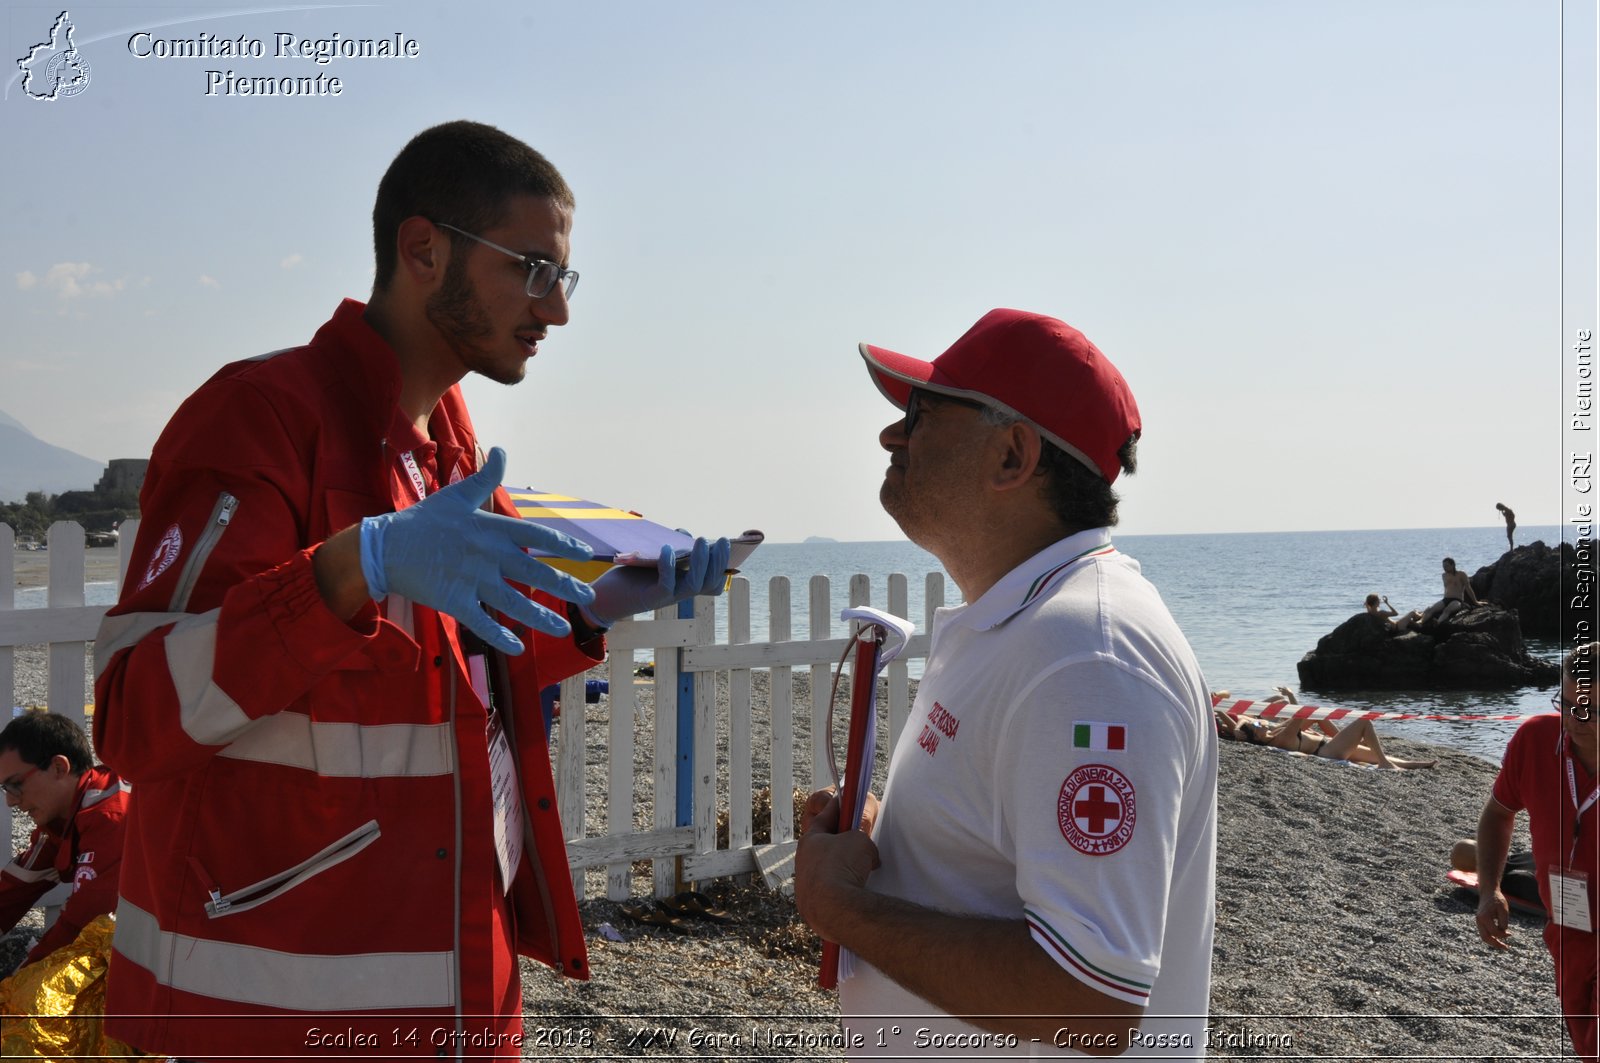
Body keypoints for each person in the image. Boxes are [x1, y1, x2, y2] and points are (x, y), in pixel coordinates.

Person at [90, 120, 729, 1061]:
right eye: (533, 270)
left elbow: (447, 679)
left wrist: (590, 611)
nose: (555, 311)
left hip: (454, 999)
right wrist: (351, 567)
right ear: (423, 250)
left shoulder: (452, 449)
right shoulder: (260, 418)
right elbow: (135, 716)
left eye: (564, 277)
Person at [794, 309, 1217, 1058]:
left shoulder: (1087, 655)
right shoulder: (1031, 626)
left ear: (1013, 454)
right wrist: (893, 836)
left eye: (920, 413)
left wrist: (844, 908)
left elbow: (1092, 1000)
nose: (893, 435)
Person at [1474, 642, 1600, 1062]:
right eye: (1567, 704)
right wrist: (1489, 890)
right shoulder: (1535, 738)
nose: (1576, 721)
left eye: (1593, 712)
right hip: (1567, 927)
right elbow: (1497, 814)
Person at [0, 713, 129, 972]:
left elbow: (81, 926)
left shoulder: (111, 817)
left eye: (15, 785)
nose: (11, 801)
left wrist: (12, 990)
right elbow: (14, 890)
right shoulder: (64, 813)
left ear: (59, 767)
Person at [1214, 711, 1436, 769]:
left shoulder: (1274, 734)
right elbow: (1302, 715)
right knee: (1364, 723)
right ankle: (1385, 764)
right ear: (1257, 737)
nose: (1259, 723)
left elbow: (1304, 719)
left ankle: (1415, 764)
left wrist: (1236, 727)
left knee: (1380, 755)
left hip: (1328, 746)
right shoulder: (1280, 740)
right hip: (1327, 751)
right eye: (1256, 726)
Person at [1418, 557, 1482, 628]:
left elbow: (1468, 588)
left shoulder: (1461, 574)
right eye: (1443, 566)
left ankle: (1438, 622)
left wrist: (1476, 602)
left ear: (1453, 565)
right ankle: (1420, 622)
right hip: (1445, 599)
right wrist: (1442, 602)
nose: (1444, 568)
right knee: (1430, 609)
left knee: (1447, 610)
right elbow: (1446, 589)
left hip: (1457, 600)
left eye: (1446, 566)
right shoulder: (1444, 575)